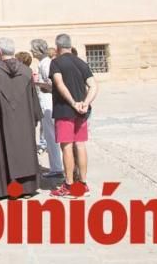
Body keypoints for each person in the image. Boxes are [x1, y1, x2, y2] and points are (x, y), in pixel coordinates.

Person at [0, 38, 42, 199]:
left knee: (4, 149)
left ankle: (7, 189)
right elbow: (33, 96)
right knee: (25, 149)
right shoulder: (26, 71)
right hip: (24, 117)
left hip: (2, 119)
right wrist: (35, 116)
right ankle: (27, 188)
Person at [49, 33, 98, 198]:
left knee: (67, 146)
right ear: (70, 45)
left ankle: (69, 184)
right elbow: (93, 85)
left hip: (65, 110)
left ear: (57, 47)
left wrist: (73, 102)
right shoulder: (81, 62)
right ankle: (83, 184)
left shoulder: (56, 62)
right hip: (81, 111)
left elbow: (59, 83)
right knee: (80, 145)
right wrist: (85, 102)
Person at [31, 39, 63, 177]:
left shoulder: (46, 64)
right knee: (50, 135)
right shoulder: (44, 63)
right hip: (46, 101)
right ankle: (56, 166)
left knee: (51, 136)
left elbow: (51, 85)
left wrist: (37, 84)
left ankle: (56, 167)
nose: (31, 52)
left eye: (33, 49)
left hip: (48, 101)